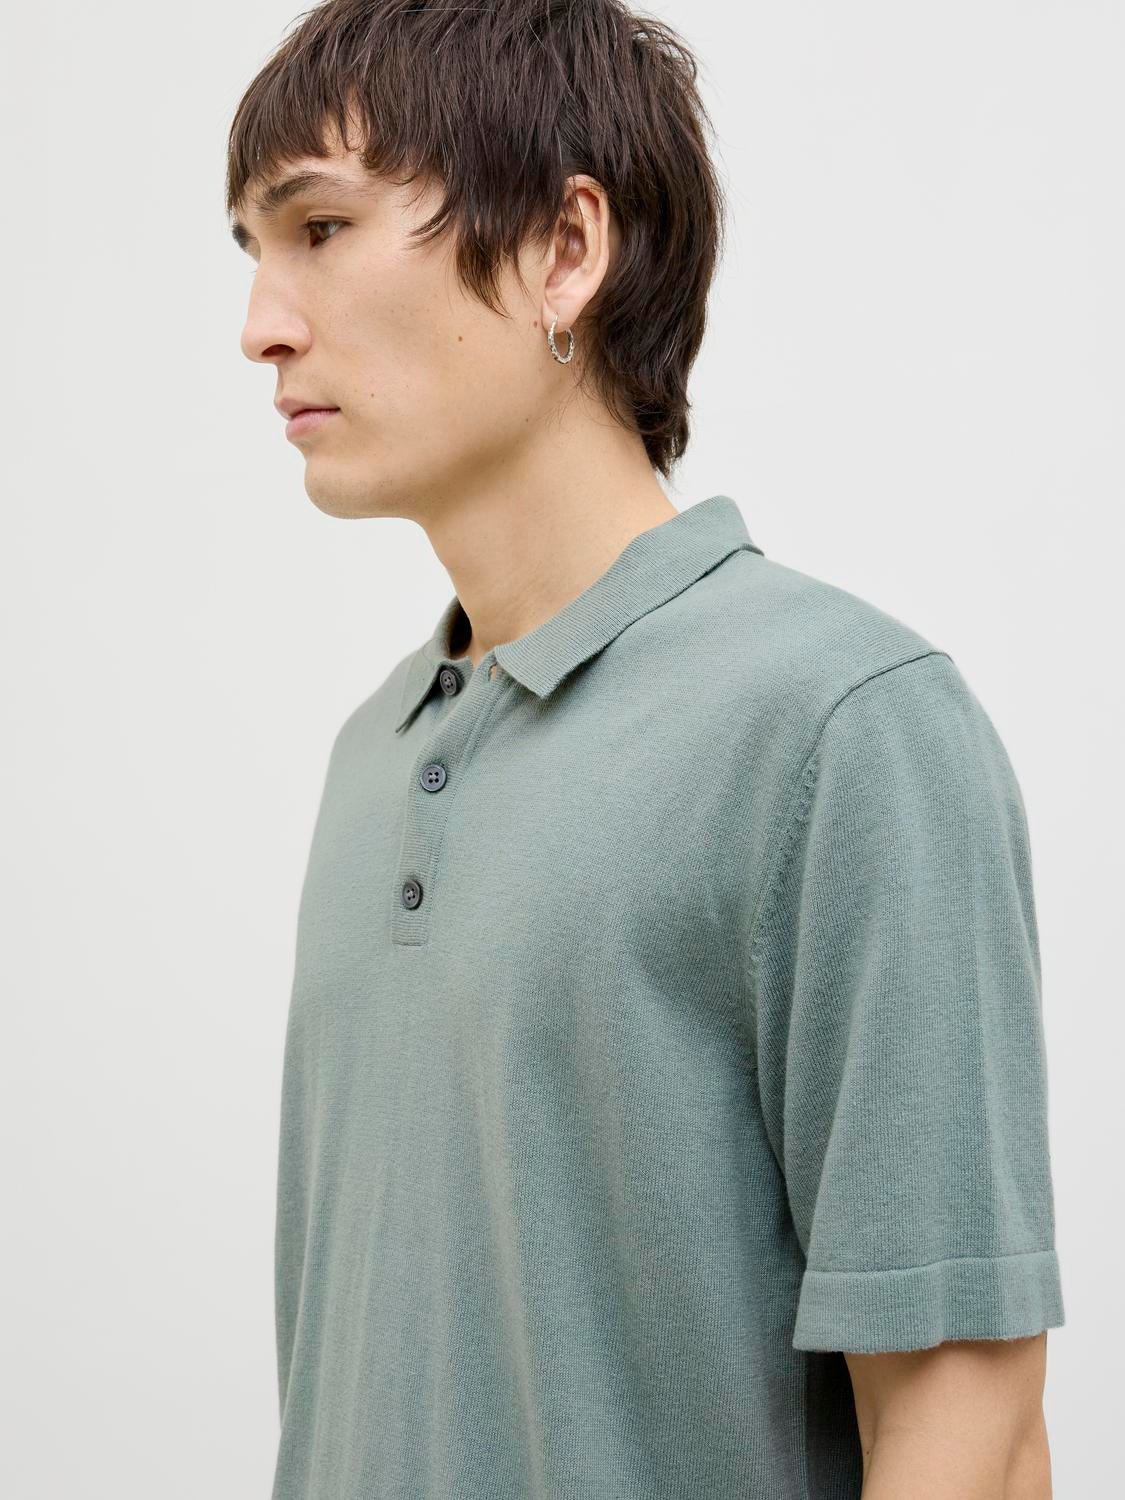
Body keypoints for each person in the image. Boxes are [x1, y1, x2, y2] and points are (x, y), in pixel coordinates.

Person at [226, 2, 1065, 1495]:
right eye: (253, 251)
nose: (262, 327)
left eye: (322, 229)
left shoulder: (844, 725)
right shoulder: (373, 755)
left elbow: (971, 1434)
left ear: (564, 249)